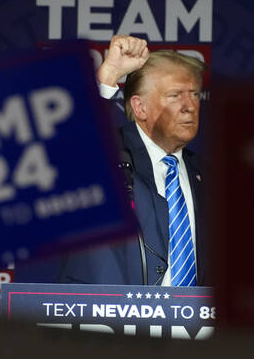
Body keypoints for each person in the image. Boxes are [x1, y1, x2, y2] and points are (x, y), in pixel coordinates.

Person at [56, 34, 206, 287]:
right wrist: (110, 74)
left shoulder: (210, 174)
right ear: (140, 107)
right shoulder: (107, 154)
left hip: (194, 324)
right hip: (104, 320)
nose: (189, 105)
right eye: (175, 95)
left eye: (194, 94)